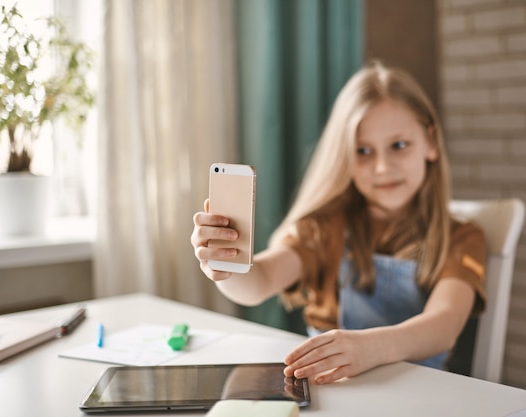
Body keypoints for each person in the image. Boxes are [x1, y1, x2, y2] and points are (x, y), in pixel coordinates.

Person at [191, 61, 487, 385]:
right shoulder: (324, 229)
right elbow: (258, 282)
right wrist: (227, 264)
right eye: (363, 151)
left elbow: (443, 326)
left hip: (424, 395)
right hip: (332, 393)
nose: (383, 167)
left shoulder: (462, 237)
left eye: (399, 146)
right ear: (344, 157)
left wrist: (370, 348)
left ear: (430, 142)